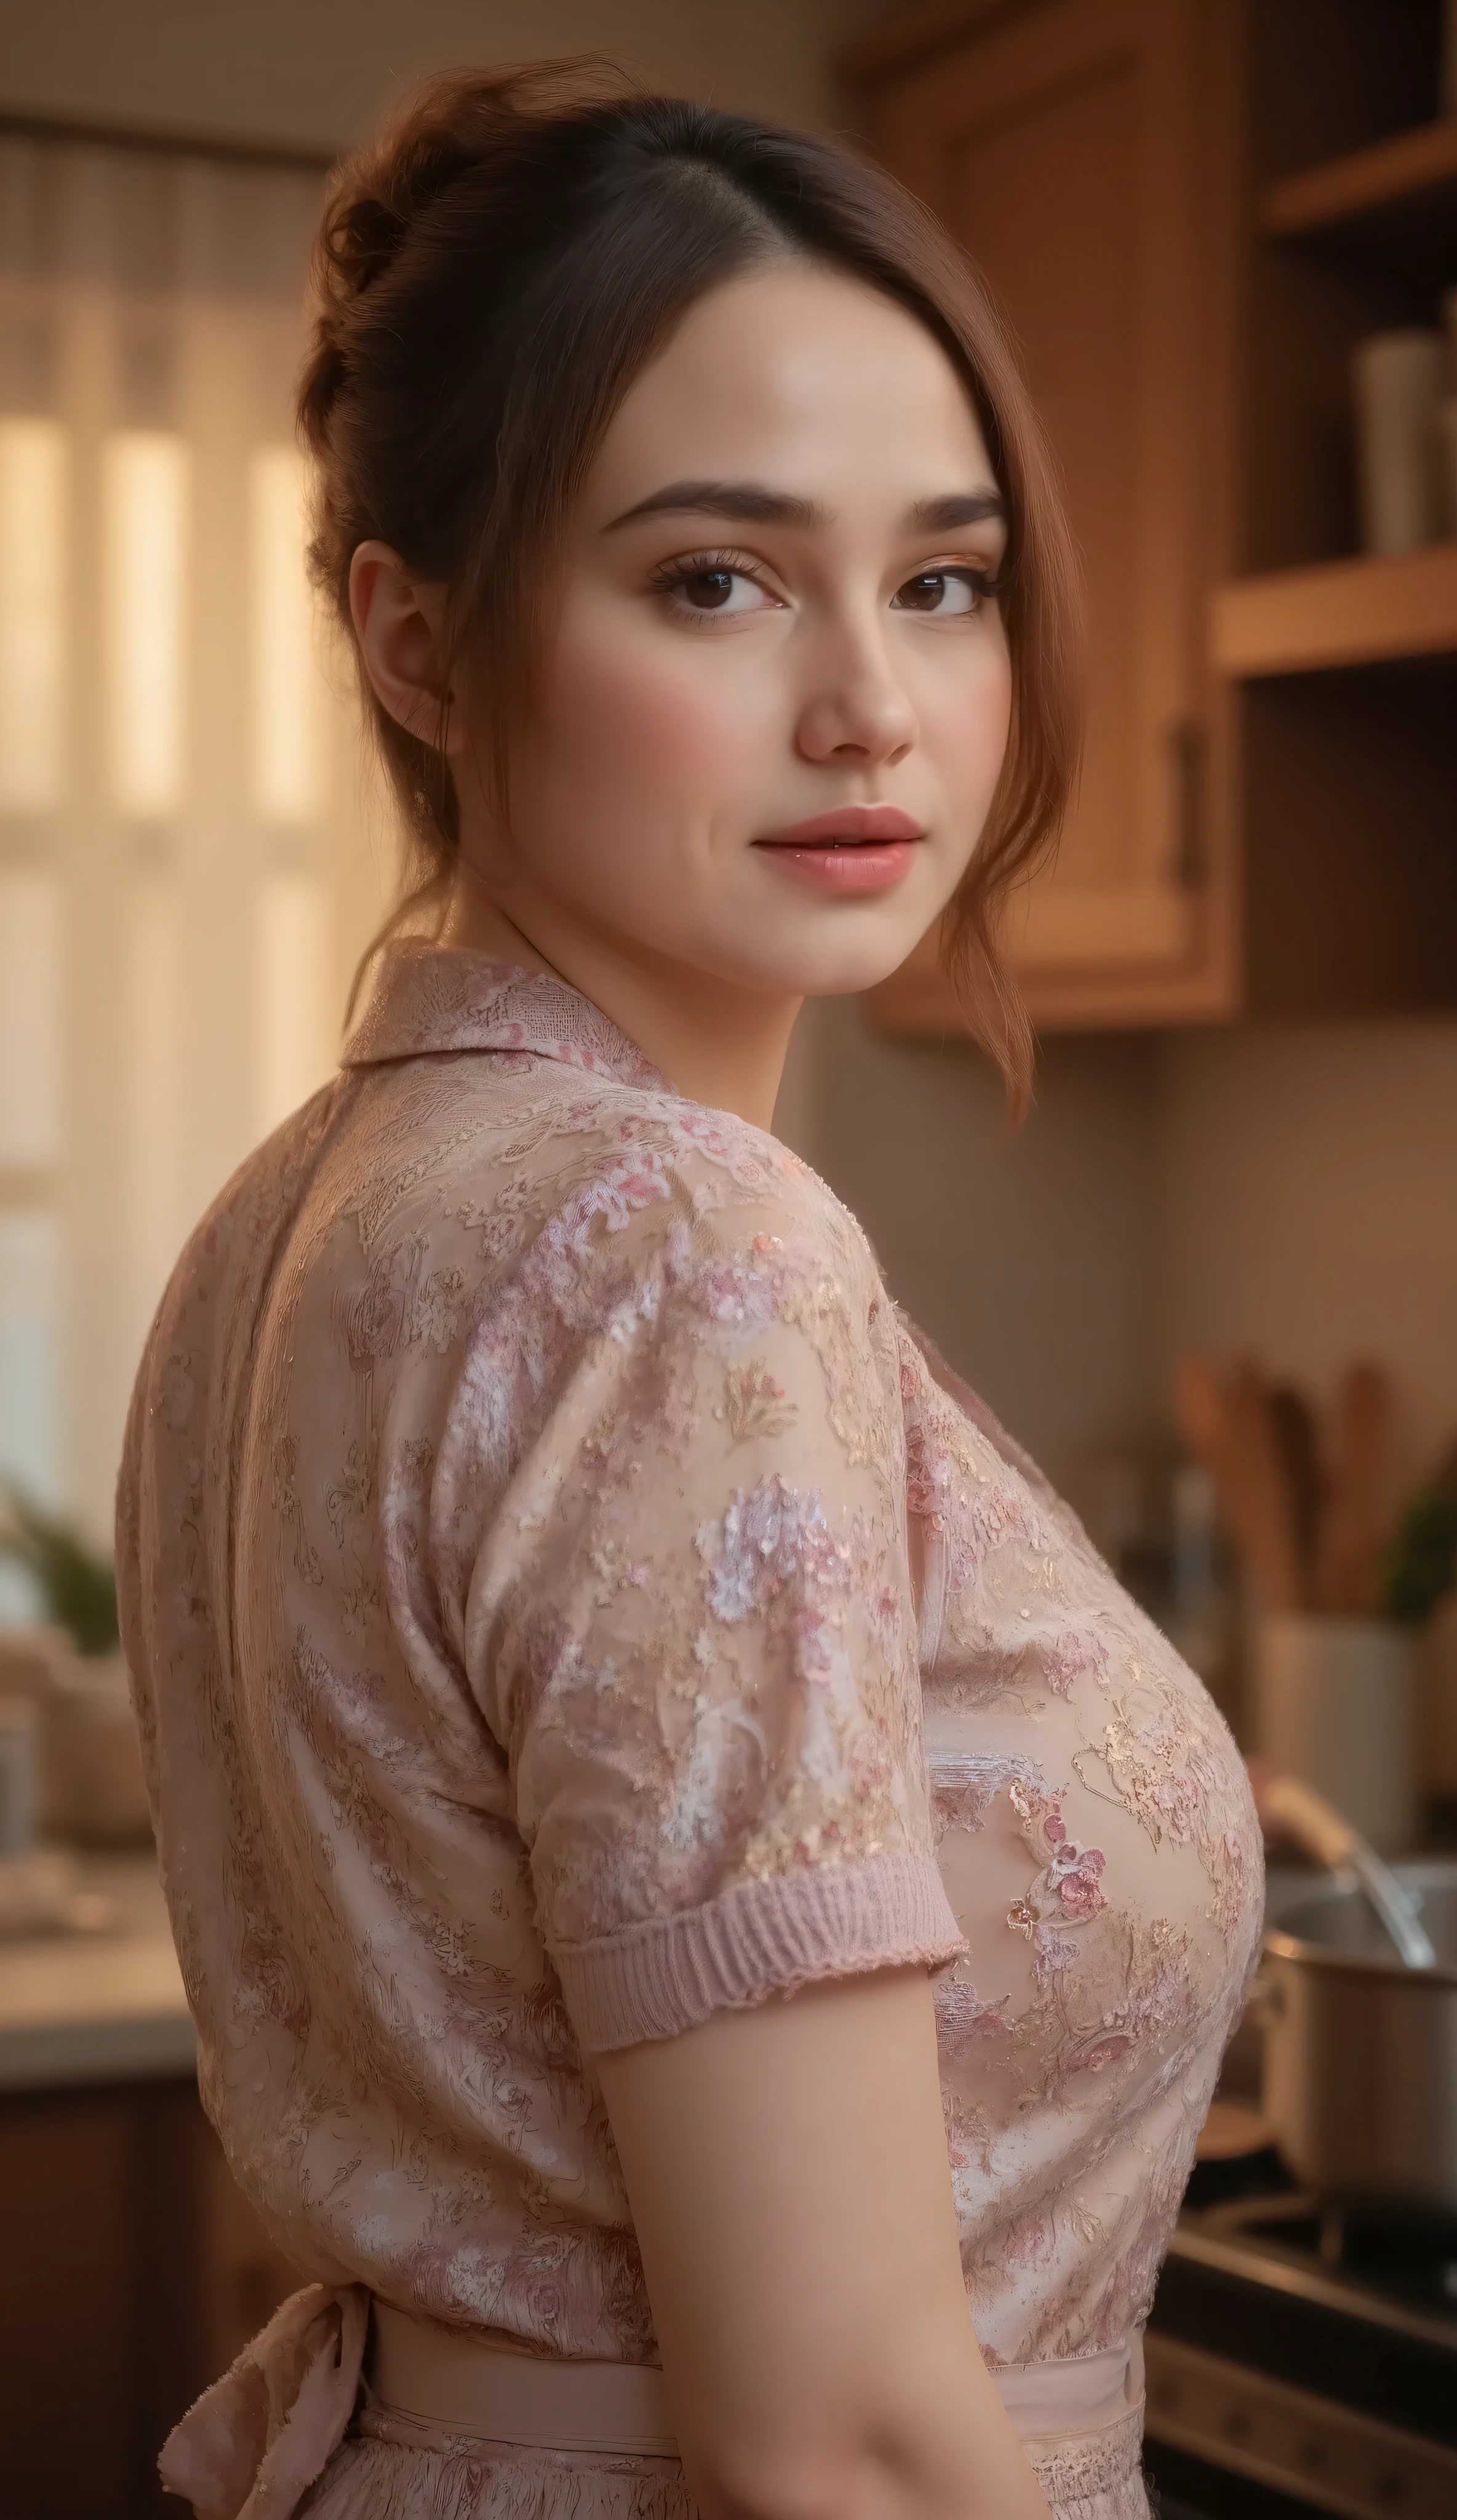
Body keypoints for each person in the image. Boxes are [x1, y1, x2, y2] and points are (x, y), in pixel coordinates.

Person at [116, 62, 1263, 2520]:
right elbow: (834, 2435)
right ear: (419, 643)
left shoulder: (291, 1215)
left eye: (941, 581)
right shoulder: (678, 1242)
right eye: (715, 580)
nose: (873, 706)